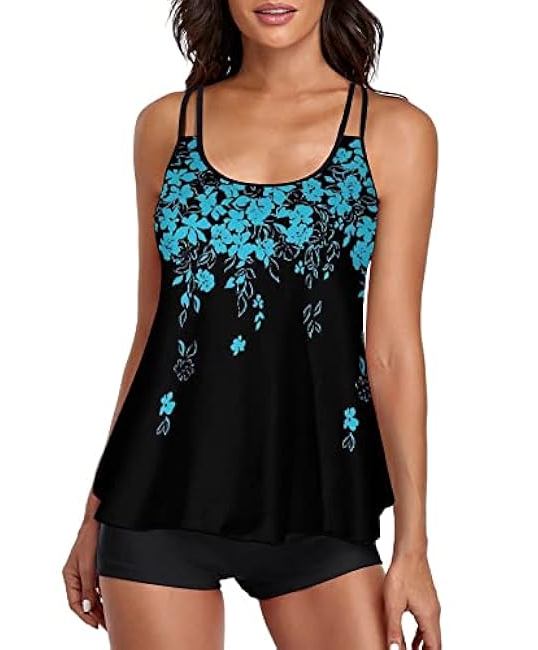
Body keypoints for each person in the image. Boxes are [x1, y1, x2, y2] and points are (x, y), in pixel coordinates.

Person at [62, 1, 441, 648]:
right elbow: (153, 335)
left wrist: (413, 546)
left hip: (318, 501)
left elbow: (392, 353)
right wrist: (95, 510)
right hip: (155, 501)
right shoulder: (167, 125)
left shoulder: (392, 131)